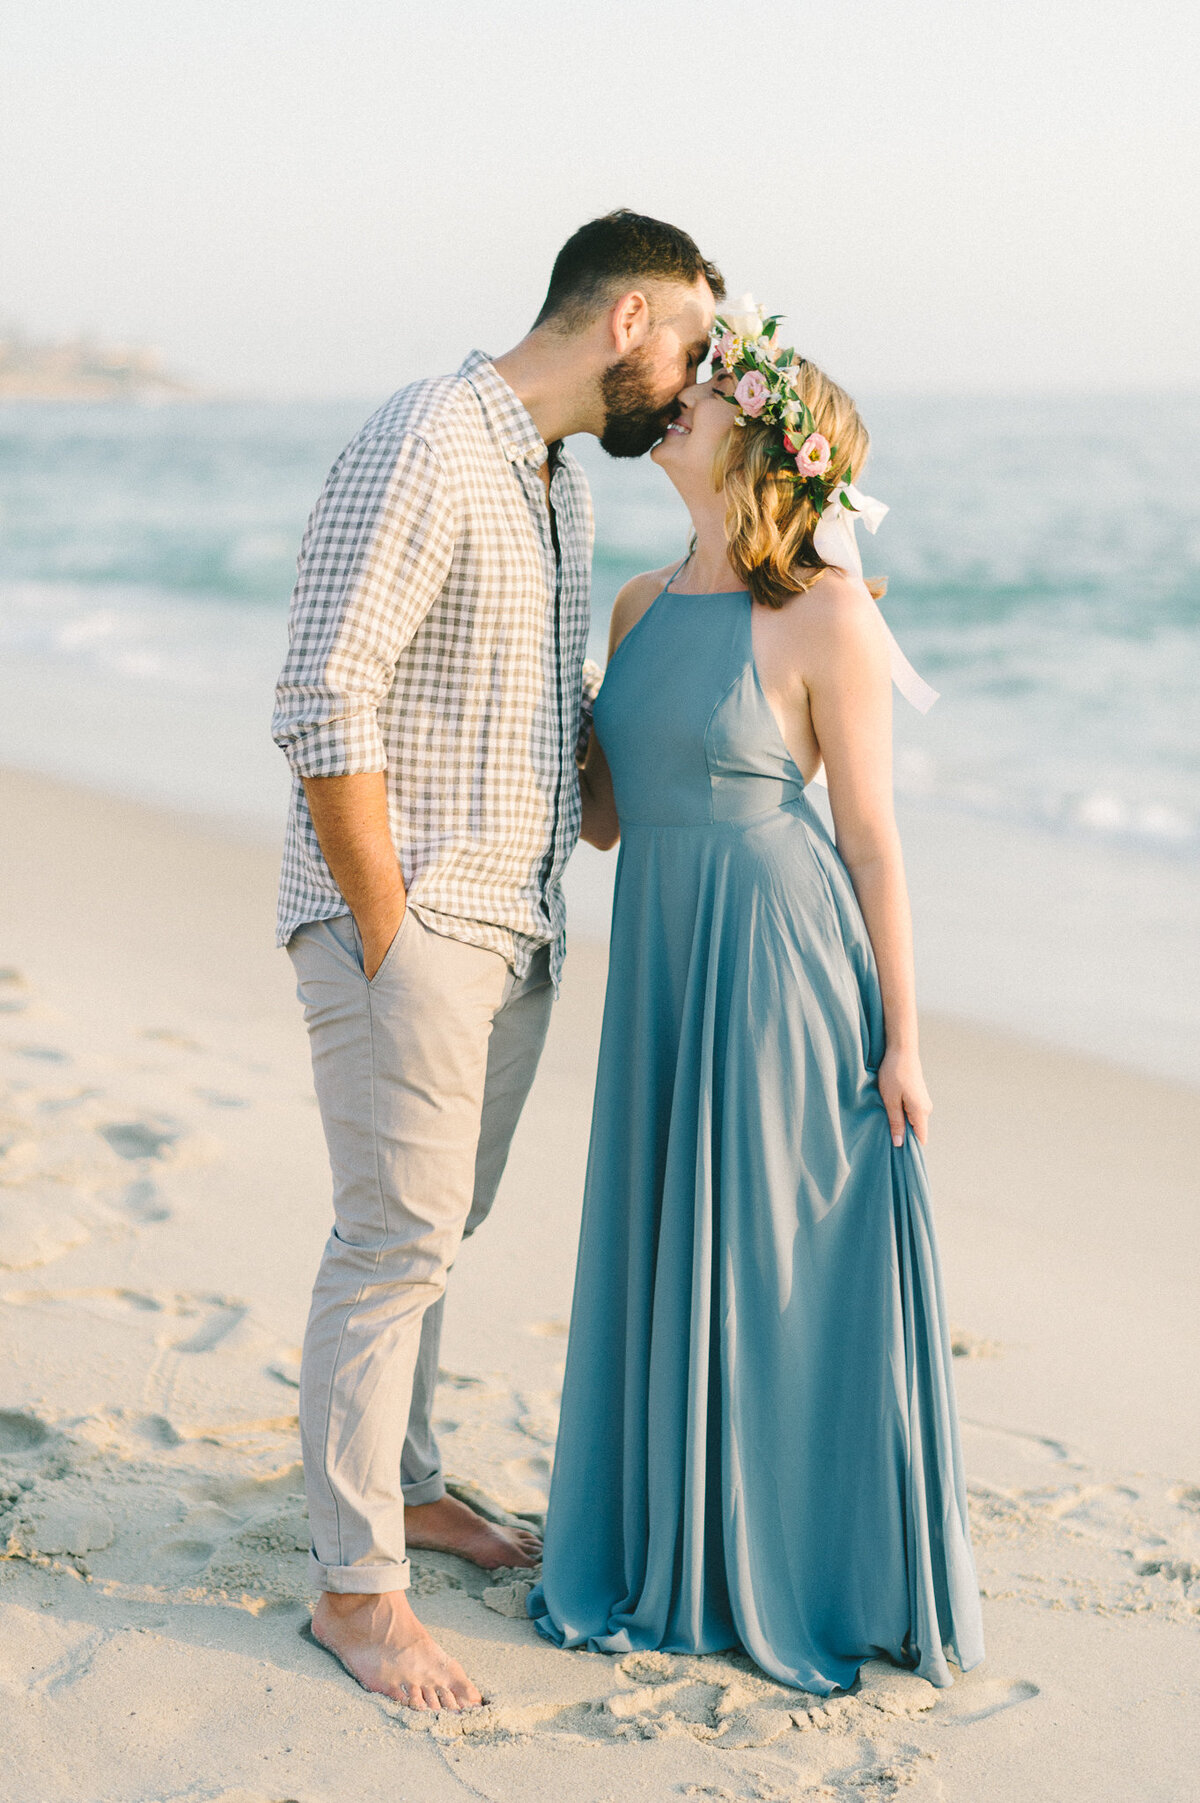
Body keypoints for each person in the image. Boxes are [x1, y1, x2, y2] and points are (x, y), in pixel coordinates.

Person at [271, 211, 723, 1711]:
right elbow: (323, 691)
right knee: (390, 1242)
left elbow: (548, 723)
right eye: (694, 345)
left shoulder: (554, 494)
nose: (696, 377)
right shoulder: (424, 436)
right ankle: (357, 1594)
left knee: (435, 1233)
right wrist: (389, 937)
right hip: (412, 929)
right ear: (629, 317)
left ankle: (403, 1494)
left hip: (517, 926)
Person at [529, 304, 985, 1692]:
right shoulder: (636, 604)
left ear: (766, 444)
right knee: (669, 1238)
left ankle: (796, 1553)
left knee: (774, 1261)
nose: (685, 396)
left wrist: (903, 1038)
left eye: (716, 390)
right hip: (662, 952)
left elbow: (870, 845)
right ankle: (678, 1536)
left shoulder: (825, 615)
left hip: (783, 964)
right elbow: (606, 818)